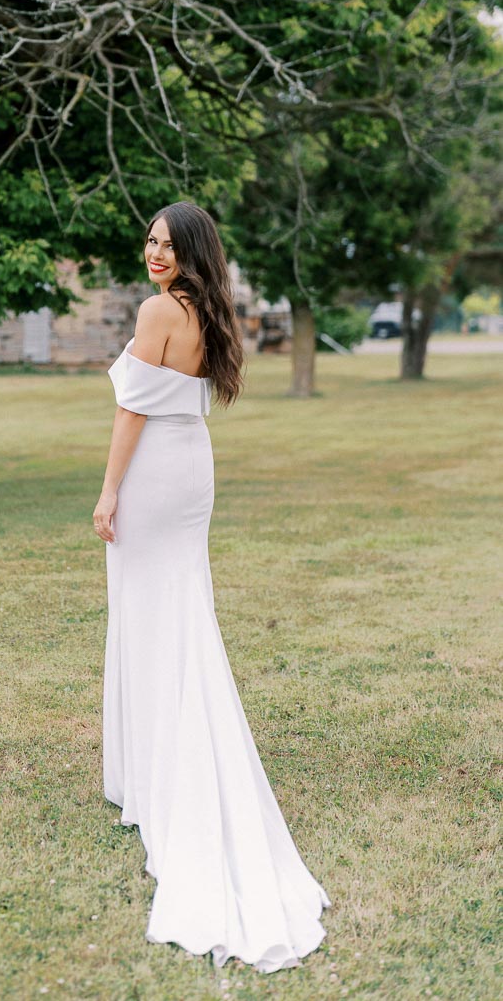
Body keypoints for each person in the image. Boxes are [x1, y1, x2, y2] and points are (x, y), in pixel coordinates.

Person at [93, 201, 330, 973]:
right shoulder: (209, 312)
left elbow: (132, 410)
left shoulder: (158, 310)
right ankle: (146, 769)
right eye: (150, 241)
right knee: (177, 614)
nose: (153, 252)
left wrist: (107, 491)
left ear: (190, 251)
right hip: (192, 468)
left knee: (154, 615)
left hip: (158, 472)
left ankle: (160, 772)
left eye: (167, 244)